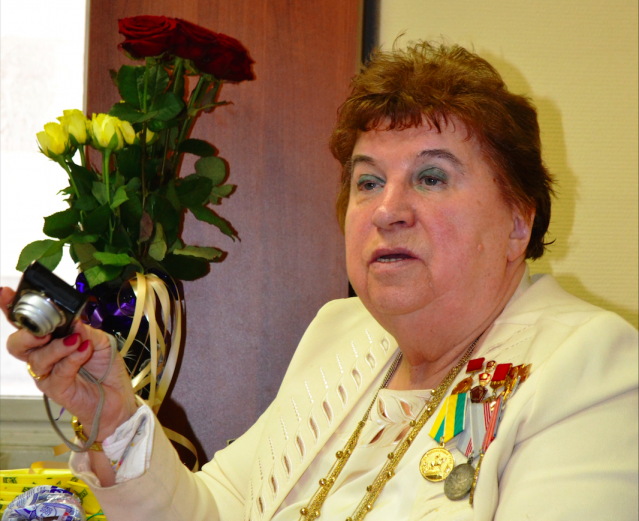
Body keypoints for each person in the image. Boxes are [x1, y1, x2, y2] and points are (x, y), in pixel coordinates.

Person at [2, 42, 637, 521]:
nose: (388, 209)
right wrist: (115, 415)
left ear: (519, 221)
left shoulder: (588, 367)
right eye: (368, 181)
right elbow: (213, 512)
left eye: (431, 177)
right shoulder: (341, 333)